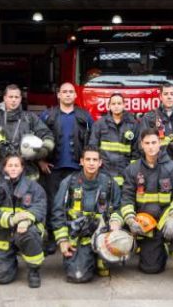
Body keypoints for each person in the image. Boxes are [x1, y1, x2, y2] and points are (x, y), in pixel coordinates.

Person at [120, 128, 173, 289]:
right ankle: (160, 247)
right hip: (146, 222)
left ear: (160, 143)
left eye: (154, 142)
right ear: (141, 145)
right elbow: (126, 198)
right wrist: (129, 219)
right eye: (147, 143)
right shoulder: (132, 170)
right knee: (150, 268)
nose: (150, 147)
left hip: (167, 217)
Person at [52, 147, 122, 283]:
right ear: (81, 162)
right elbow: (57, 212)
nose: (91, 163)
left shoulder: (109, 183)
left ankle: (100, 259)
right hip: (78, 236)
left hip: (102, 235)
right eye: (88, 159)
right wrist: (63, 240)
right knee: (78, 276)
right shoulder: (69, 182)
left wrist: (115, 221)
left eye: (95, 160)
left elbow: (119, 207)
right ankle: (87, 257)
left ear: (100, 162)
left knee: (104, 267)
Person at [39, 82, 94, 254]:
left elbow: (93, 140)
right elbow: (38, 139)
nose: (68, 94)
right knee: (52, 203)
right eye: (65, 92)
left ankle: (73, 235)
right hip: (53, 168)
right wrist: (41, 161)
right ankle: (52, 238)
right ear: (59, 95)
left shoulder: (85, 116)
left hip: (77, 170)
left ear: (76, 96)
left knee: (75, 203)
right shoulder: (47, 116)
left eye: (71, 92)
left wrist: (86, 162)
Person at [0, 154, 47, 288]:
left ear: (22, 168)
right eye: (10, 165)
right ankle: (9, 261)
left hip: (25, 231)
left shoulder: (34, 187)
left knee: (28, 234)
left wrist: (27, 220)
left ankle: (34, 270)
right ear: (4, 168)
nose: (13, 168)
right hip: (2, 234)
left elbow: (40, 208)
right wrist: (11, 220)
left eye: (16, 165)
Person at [0, 84, 54, 188]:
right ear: (4, 98)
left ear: (20, 99)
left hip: (26, 173)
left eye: (16, 97)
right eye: (10, 97)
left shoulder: (30, 118)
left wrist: (43, 152)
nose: (13, 100)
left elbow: (47, 134)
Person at [88, 92, 139, 187]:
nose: (116, 106)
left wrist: (132, 171)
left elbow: (136, 151)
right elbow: (93, 148)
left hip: (125, 174)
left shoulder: (133, 125)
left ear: (124, 105)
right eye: (113, 104)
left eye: (119, 103)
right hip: (104, 173)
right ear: (109, 106)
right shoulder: (99, 124)